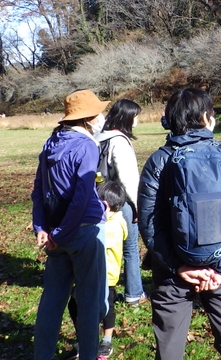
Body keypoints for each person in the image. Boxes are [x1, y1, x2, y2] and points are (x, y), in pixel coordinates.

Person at [138, 88, 221, 360]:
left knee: (170, 350)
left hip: (172, 273)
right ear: (205, 117)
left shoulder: (158, 161)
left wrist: (179, 267)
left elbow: (149, 223)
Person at [30, 89, 110, 360]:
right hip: (82, 232)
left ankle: (42, 355)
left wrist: (42, 229)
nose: (102, 117)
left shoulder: (50, 142)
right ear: (88, 118)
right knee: (90, 304)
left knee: (51, 301)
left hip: (54, 233)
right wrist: (61, 233)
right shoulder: (87, 145)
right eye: (99, 113)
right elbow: (82, 197)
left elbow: (38, 190)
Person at [95, 98, 148, 306]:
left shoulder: (98, 136)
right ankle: (134, 293)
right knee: (130, 249)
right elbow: (129, 180)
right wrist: (137, 206)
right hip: (120, 200)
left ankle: (104, 290)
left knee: (105, 247)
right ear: (127, 117)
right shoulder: (120, 141)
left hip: (99, 198)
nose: (137, 120)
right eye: (136, 116)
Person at [68, 180, 127, 360]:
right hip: (93, 274)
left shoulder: (112, 226)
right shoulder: (109, 221)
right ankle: (85, 338)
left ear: (109, 207)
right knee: (75, 303)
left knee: (105, 308)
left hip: (105, 276)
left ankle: (106, 341)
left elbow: (95, 243)